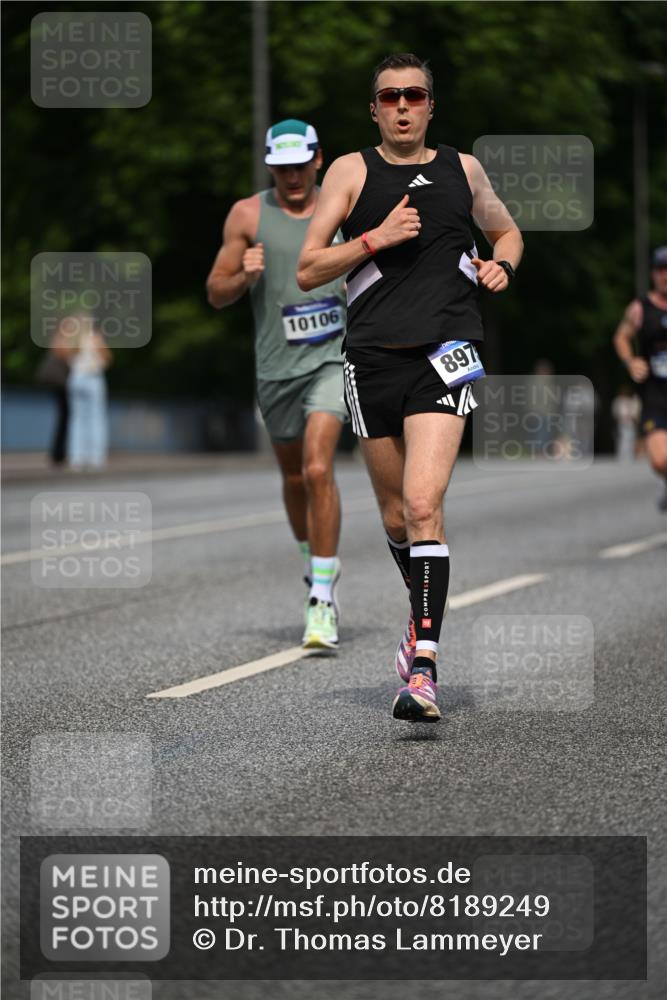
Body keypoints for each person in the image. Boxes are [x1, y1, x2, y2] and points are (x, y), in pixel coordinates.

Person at [297, 53, 523, 721]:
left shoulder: (464, 169)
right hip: (370, 361)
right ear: (374, 109)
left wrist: (502, 266)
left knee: (424, 506)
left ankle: (423, 666)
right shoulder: (349, 171)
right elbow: (309, 269)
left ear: (430, 105)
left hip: (445, 354)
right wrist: (374, 238)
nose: (402, 106)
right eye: (390, 96)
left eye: (414, 95)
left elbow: (506, 232)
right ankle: (419, 612)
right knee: (396, 518)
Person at [206, 120, 347, 650]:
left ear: (318, 159)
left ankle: (322, 600)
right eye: (282, 167)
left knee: (318, 468)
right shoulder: (247, 215)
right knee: (293, 478)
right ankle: (315, 565)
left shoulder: (343, 206)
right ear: (270, 165)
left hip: (333, 359)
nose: (292, 175)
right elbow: (215, 292)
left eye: (300, 165)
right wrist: (243, 277)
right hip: (276, 369)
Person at [613, 246, 667, 510]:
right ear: (653, 273)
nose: (665, 275)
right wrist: (630, 361)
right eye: (660, 269)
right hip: (655, 396)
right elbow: (621, 337)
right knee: (659, 460)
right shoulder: (640, 309)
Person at [58, 313, 112, 470]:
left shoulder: (71, 340)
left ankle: (77, 458)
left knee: (77, 419)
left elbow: (62, 356)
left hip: (76, 378)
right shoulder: (94, 338)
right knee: (96, 418)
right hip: (92, 378)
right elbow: (107, 357)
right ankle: (96, 458)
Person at [611, 385, 641, 462]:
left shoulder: (632, 400)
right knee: (623, 438)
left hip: (631, 422)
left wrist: (634, 418)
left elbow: (635, 411)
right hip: (622, 421)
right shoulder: (618, 400)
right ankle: (622, 455)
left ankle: (630, 455)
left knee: (631, 438)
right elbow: (615, 412)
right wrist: (619, 418)